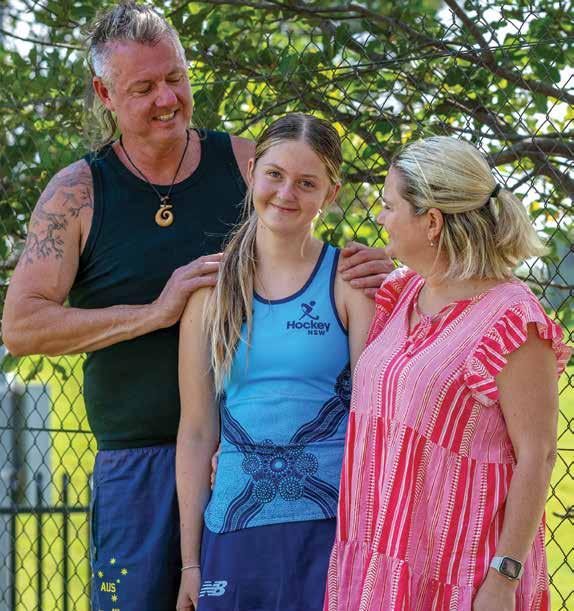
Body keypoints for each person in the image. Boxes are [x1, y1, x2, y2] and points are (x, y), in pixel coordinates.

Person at [0, 3, 392, 609]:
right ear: (105, 94)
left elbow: (308, 236)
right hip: (137, 460)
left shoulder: (244, 163)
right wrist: (155, 313)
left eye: (175, 78)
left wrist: (376, 265)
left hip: (249, 459)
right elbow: (22, 326)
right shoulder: (77, 193)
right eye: (144, 88)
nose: (167, 98)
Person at [324, 136, 571, 611]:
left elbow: (538, 456)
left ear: (432, 222)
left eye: (389, 206)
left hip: (461, 576)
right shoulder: (400, 294)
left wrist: (503, 579)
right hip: (375, 560)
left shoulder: (512, 320)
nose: (380, 218)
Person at [176, 113, 376, 611]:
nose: (287, 193)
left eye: (307, 183)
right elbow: (197, 433)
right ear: (251, 173)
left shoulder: (349, 283)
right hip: (234, 526)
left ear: (330, 194)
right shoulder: (211, 293)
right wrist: (190, 564)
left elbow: (372, 424)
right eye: (275, 175)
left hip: (330, 527)